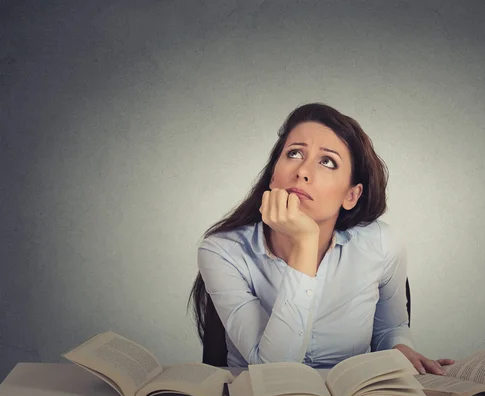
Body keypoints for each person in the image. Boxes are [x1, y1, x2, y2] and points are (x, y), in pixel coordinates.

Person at [189, 103, 453, 374]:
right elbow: (274, 370)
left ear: (351, 195)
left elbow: (389, 328)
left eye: (327, 161)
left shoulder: (382, 244)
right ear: (272, 177)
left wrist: (401, 348)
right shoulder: (222, 250)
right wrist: (304, 243)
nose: (302, 171)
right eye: (294, 153)